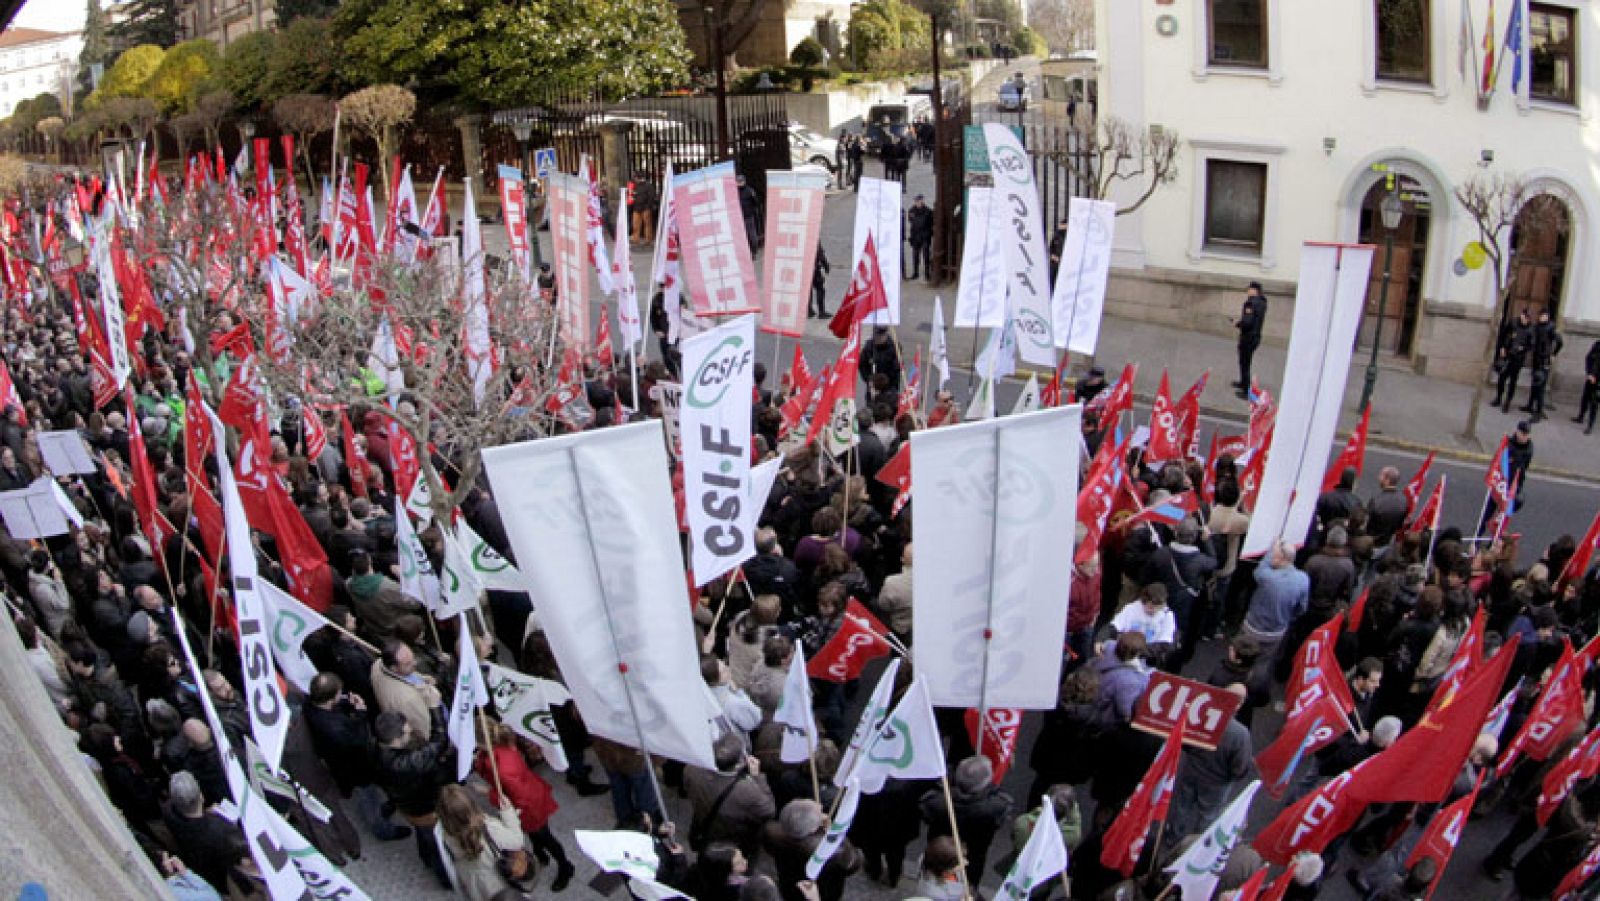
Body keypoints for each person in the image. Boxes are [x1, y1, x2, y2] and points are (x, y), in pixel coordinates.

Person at [374, 708, 455, 888]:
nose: (410, 730)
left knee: (423, 836)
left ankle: (425, 858)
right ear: (395, 739)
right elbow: (439, 742)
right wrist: (435, 709)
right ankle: (445, 878)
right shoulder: (404, 764)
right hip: (423, 810)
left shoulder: (376, 751)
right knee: (436, 845)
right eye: (406, 730)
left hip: (408, 807)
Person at [919, 756, 1013, 889]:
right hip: (974, 853)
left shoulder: (938, 802)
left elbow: (926, 808)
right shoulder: (994, 807)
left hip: (939, 850)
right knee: (970, 879)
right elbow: (1005, 803)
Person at [436, 783, 536, 900]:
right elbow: (517, 841)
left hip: (473, 880)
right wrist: (508, 812)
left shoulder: (445, 832)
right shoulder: (489, 828)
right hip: (496, 880)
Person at [686, 733, 776, 857]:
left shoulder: (692, 768)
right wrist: (757, 777)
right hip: (733, 838)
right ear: (739, 763)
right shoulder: (747, 791)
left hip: (703, 823)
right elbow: (769, 810)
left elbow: (687, 787)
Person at [1241, 542, 1309, 667]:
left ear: (1281, 558)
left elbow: (1259, 570)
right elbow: (1302, 608)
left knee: (1242, 657)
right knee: (1263, 663)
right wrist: (1288, 617)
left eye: (1274, 556)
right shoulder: (1303, 579)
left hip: (1253, 627)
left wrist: (1271, 549)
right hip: (1276, 631)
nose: (1272, 558)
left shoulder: (1267, 577)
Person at [370, 639, 442, 737]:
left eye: (413, 658)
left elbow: (406, 675)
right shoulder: (408, 700)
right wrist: (434, 706)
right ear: (394, 668)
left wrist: (422, 678)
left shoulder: (378, 664)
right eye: (408, 664)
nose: (415, 663)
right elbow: (426, 730)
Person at [1523, 307, 1563, 421]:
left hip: (1544, 360)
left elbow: (1560, 342)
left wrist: (1553, 354)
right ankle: (1530, 405)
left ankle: (1539, 411)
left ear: (1547, 316)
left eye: (1544, 315)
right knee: (1534, 383)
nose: (1542, 317)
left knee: (1540, 387)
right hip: (1536, 359)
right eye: (1541, 315)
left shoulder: (1551, 328)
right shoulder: (1536, 327)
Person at [1494, 308, 1534, 413]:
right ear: (1521, 315)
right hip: (1507, 354)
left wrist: (1523, 348)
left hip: (1518, 358)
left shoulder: (1530, 329)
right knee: (1502, 377)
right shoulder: (1513, 323)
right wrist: (1502, 347)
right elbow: (1503, 335)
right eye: (1525, 317)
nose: (1526, 320)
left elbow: (1531, 345)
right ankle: (1498, 398)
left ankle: (1507, 402)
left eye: (1528, 319)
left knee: (1513, 381)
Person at [1233, 282, 1267, 398]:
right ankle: (1243, 383)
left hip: (1248, 337)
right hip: (1255, 336)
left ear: (1254, 290)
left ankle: (1246, 390)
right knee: (1246, 362)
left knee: (1244, 362)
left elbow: (1247, 322)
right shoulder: (1262, 303)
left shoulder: (1250, 303)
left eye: (1249, 289)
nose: (1247, 291)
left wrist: (1237, 323)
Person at [1572, 338, 1600, 433]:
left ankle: (1590, 425)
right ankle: (1580, 417)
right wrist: (1589, 374)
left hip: (1598, 381)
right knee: (1585, 398)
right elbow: (1588, 358)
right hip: (1591, 377)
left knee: (1594, 403)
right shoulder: (1597, 344)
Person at [906, 195, 933, 280]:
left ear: (922, 201)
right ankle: (915, 273)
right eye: (916, 201)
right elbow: (911, 221)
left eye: (919, 201)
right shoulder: (911, 210)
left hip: (925, 236)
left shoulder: (928, 211)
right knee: (915, 256)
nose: (917, 202)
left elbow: (931, 223)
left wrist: (928, 234)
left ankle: (927, 273)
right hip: (915, 236)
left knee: (926, 255)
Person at [810, 243, 831, 318]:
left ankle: (809, 310)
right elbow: (820, 254)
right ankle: (821, 312)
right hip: (814, 268)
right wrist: (826, 266)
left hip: (805, 267)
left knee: (808, 289)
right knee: (820, 289)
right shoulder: (813, 237)